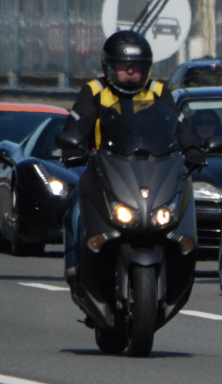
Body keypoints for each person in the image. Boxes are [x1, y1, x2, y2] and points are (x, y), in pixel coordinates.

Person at [60, 30, 203, 283]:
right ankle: (74, 262)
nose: (129, 72)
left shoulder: (158, 91)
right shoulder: (94, 91)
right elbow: (77, 125)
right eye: (122, 67)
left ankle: (181, 259)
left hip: (152, 166)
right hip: (103, 166)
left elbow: (179, 126)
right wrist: (73, 148)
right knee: (76, 201)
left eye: (136, 67)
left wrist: (191, 148)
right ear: (108, 67)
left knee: (180, 197)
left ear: (146, 68)